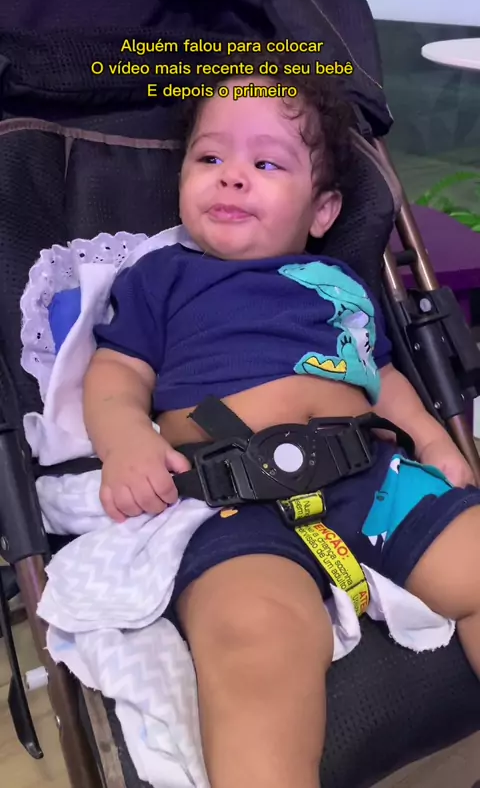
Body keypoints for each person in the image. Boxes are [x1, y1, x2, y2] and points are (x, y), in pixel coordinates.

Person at [83, 67, 480, 788]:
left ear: (323, 209)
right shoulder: (160, 276)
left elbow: (381, 377)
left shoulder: (340, 284)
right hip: (228, 498)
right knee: (256, 638)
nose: (232, 176)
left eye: (266, 164)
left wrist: (430, 439)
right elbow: (116, 374)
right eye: (210, 157)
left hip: (369, 476)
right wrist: (126, 440)